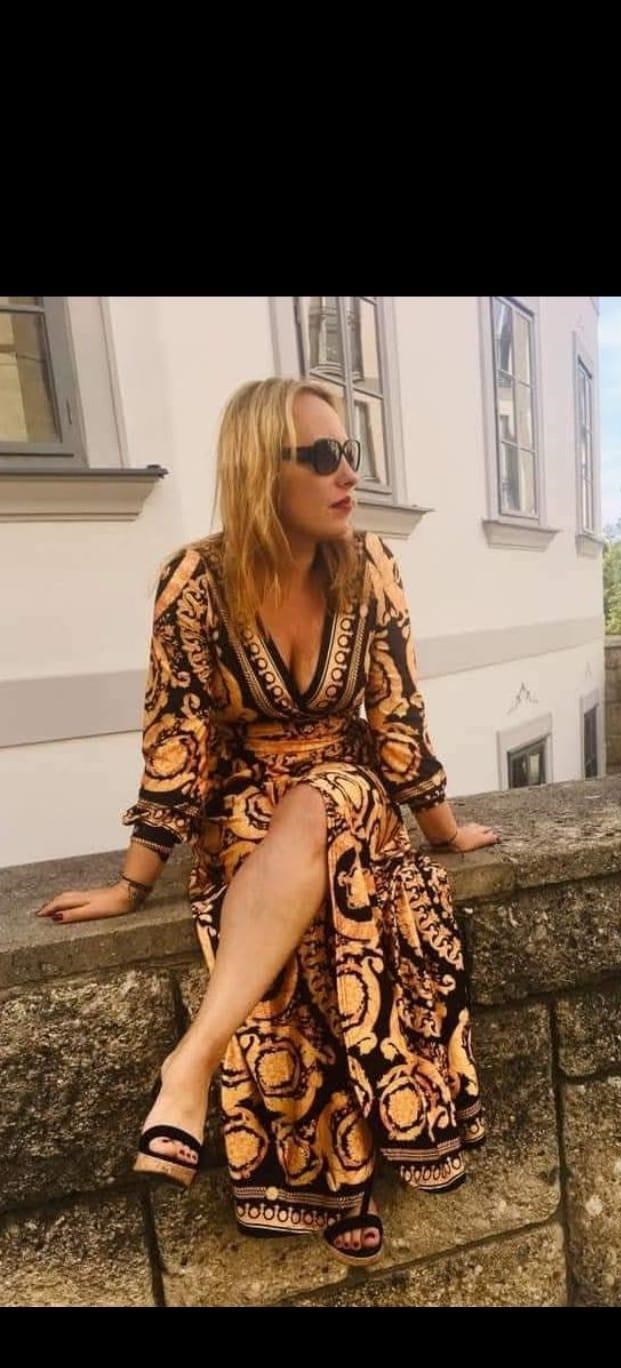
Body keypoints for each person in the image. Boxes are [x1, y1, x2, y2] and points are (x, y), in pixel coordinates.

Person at [36, 377, 501, 1265]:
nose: (347, 473)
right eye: (321, 456)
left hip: (354, 798)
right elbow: (178, 736)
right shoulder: (195, 581)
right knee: (317, 908)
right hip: (246, 811)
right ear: (259, 469)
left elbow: (395, 715)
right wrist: (132, 883)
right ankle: (345, 1175)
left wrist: (444, 833)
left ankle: (192, 1066)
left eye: (349, 452)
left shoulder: (370, 565)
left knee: (335, 800)